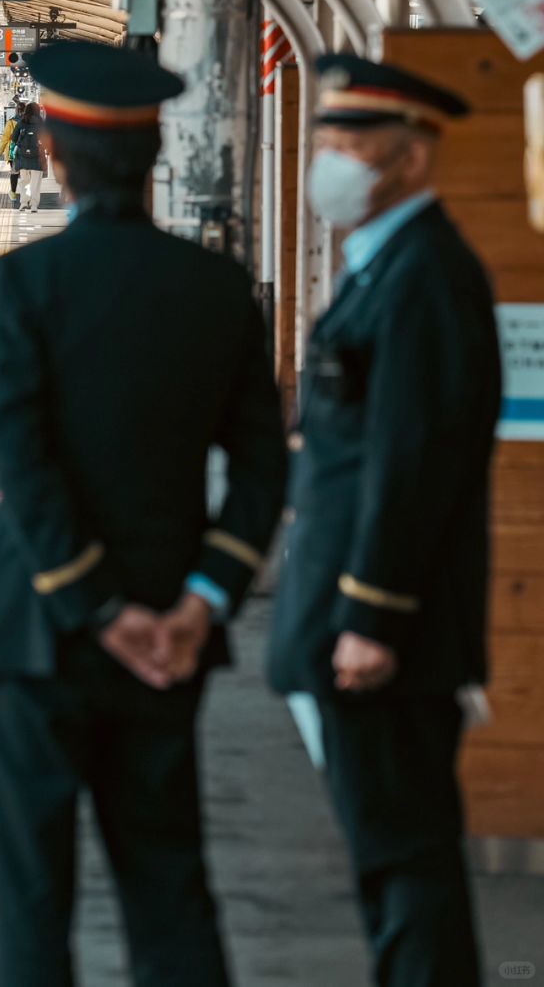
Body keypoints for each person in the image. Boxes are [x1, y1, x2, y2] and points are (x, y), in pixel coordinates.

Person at [0, 41, 287, 987]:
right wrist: (199, 600)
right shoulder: (217, 291)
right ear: (156, 157)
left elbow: (24, 470)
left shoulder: (22, 286)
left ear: (54, 153)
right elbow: (265, 470)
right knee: (167, 886)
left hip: (34, 639)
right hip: (170, 643)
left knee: (29, 901)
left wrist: (98, 607)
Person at [267, 55, 502, 987]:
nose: (329, 159)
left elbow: (414, 462)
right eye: (323, 139)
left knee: (405, 855)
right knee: (387, 851)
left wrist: (371, 614)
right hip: (358, 623)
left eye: (349, 142)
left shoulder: (428, 275)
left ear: (408, 158)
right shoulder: (392, 265)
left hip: (382, 635)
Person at [11, 100, 47, 211]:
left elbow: (14, 138)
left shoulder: (21, 122)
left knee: (24, 181)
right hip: (38, 156)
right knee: (35, 182)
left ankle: (23, 202)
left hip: (23, 156)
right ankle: (34, 205)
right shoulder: (41, 123)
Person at [0, 102, 22, 202]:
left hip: (13, 151)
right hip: (26, 151)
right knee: (24, 173)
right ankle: (26, 194)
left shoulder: (11, 122)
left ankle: (13, 193)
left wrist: (0, 151)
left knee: (14, 172)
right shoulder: (29, 122)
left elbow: (5, 138)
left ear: (16, 110)